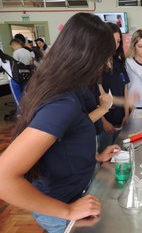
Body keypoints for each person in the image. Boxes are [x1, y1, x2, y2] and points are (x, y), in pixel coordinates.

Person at [0, 13, 121, 233]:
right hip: (62, 207)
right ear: (88, 57)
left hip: (76, 193)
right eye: (103, 59)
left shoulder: (67, 88)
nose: (103, 66)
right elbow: (3, 178)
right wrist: (67, 211)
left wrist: (95, 158)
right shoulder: (62, 103)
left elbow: (64, 144)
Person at [97, 22, 130, 149]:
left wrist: (127, 114)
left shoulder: (119, 63)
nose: (115, 45)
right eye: (112, 41)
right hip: (105, 121)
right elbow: (96, 96)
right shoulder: (96, 65)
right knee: (106, 156)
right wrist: (104, 122)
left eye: (118, 41)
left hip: (121, 119)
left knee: (121, 153)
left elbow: (125, 89)